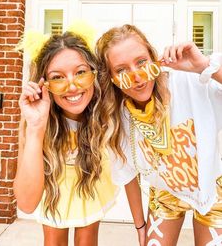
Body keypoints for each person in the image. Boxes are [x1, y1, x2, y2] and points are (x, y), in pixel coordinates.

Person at [96, 24, 222, 246]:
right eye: (122, 70)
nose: (137, 76)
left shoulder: (189, 81)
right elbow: (127, 174)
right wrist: (140, 226)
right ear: (112, 79)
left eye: (142, 62)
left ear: (153, 58)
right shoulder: (117, 116)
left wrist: (203, 66)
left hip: (213, 188)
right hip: (165, 194)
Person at [13, 31, 118, 246]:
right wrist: (35, 127)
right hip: (54, 186)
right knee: (53, 240)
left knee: (87, 238)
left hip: (89, 182)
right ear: (44, 84)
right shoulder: (34, 123)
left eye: (80, 72)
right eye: (57, 77)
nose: (72, 86)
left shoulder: (105, 113)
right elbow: (25, 203)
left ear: (93, 73)